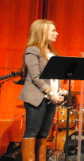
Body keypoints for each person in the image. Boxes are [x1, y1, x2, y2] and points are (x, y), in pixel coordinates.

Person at [19, 19, 65, 161]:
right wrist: (50, 92)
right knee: (32, 132)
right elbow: (36, 77)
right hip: (36, 98)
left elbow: (54, 77)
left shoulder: (53, 52)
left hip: (51, 99)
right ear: (42, 33)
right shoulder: (32, 50)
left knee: (44, 134)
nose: (56, 33)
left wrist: (59, 90)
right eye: (53, 30)